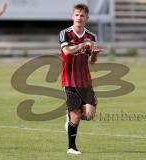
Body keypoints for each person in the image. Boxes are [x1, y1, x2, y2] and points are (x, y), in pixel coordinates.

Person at [59, 3, 103, 155]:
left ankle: (70, 116)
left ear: (87, 18)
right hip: (69, 80)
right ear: (73, 16)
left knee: (89, 115)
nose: (79, 18)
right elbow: (67, 50)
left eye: (82, 15)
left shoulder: (91, 37)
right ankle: (71, 147)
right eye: (76, 15)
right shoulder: (65, 33)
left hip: (85, 81)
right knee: (76, 116)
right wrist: (82, 45)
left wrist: (95, 53)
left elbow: (92, 61)